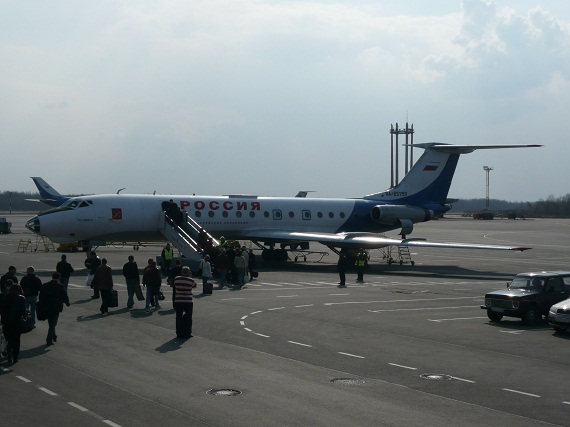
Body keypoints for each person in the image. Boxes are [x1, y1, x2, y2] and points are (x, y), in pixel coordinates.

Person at [39, 272, 70, 346]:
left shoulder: (45, 285)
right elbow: (64, 295)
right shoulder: (60, 286)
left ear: (52, 277)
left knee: (51, 323)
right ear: (59, 278)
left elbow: (41, 296)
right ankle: (49, 340)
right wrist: (67, 303)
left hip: (46, 306)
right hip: (56, 307)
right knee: (53, 324)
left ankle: (54, 335)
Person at [0, 283, 25, 364]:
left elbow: (2, 311)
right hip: (17, 322)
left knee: (8, 339)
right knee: (16, 340)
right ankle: (15, 357)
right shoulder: (21, 299)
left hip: (7, 322)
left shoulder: (5, 298)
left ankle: (9, 356)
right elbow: (23, 311)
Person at [173, 266, 196, 339]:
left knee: (178, 317)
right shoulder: (191, 280)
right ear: (188, 272)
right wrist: (190, 277)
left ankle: (179, 333)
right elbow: (194, 286)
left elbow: (175, 285)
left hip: (178, 300)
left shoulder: (176, 279)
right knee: (189, 317)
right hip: (188, 300)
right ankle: (187, 333)